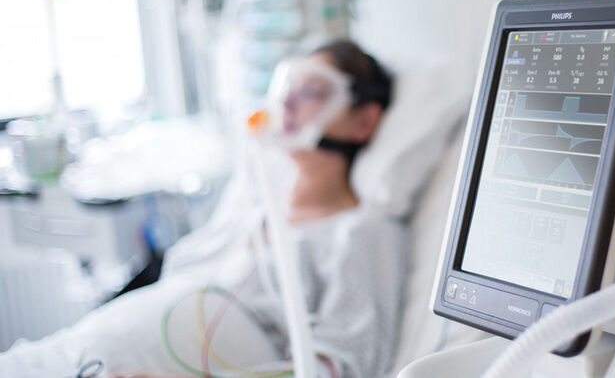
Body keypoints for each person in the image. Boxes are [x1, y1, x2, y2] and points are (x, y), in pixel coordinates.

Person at [0, 40, 409, 378]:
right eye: (288, 87)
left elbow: (344, 366)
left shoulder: (363, 231)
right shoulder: (256, 205)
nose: (287, 104)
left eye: (314, 92)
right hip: (74, 352)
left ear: (363, 121)